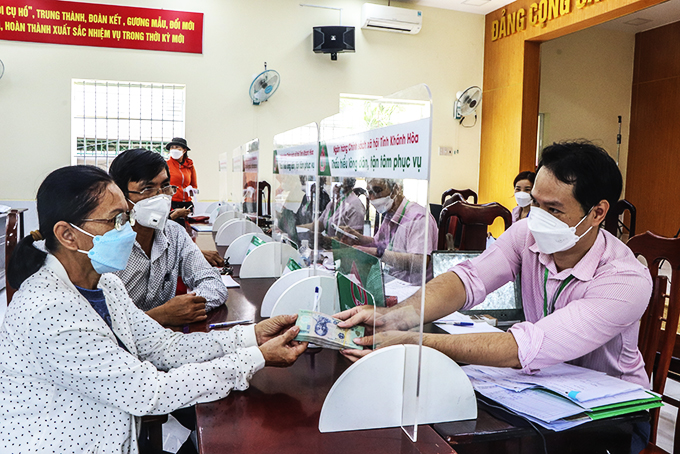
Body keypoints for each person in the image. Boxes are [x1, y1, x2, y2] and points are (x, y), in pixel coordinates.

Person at [336, 141, 652, 452]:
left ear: (597, 212)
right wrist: (394, 317)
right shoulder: (526, 234)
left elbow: (525, 346)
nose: (537, 217)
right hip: (542, 392)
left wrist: (413, 342)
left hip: (610, 418)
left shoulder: (625, 279)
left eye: (553, 209)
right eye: (536, 204)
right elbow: (466, 279)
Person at [0, 165, 307, 453]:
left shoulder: (106, 284)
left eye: (128, 217)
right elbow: (150, 392)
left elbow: (164, 347)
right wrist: (256, 358)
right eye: (117, 220)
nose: (129, 231)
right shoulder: (49, 311)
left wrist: (252, 336)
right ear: (67, 234)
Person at [109, 148, 227, 327]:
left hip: (165, 343)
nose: (161, 197)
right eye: (147, 188)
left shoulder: (174, 233)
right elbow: (97, 321)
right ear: (121, 195)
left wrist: (186, 307)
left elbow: (212, 283)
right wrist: (158, 317)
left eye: (165, 186)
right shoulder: (105, 243)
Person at [338, 178, 438, 285]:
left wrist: (378, 253)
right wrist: (357, 237)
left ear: (395, 190)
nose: (372, 198)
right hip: (391, 282)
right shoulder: (391, 213)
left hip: (413, 289)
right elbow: (377, 243)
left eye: (377, 190)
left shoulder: (418, 218)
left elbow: (420, 262)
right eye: (370, 192)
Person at [298, 177, 366, 238]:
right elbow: (319, 225)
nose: (334, 186)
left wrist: (326, 240)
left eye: (337, 183)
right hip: (329, 249)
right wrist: (298, 228)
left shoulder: (355, 205)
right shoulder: (334, 202)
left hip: (342, 250)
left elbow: (354, 238)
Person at [166, 137, 198, 227]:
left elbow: (194, 186)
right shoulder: (166, 165)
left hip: (187, 204)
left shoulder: (189, 166)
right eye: (172, 147)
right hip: (172, 203)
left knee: (189, 231)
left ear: (184, 150)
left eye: (177, 147)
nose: (174, 150)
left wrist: (192, 191)